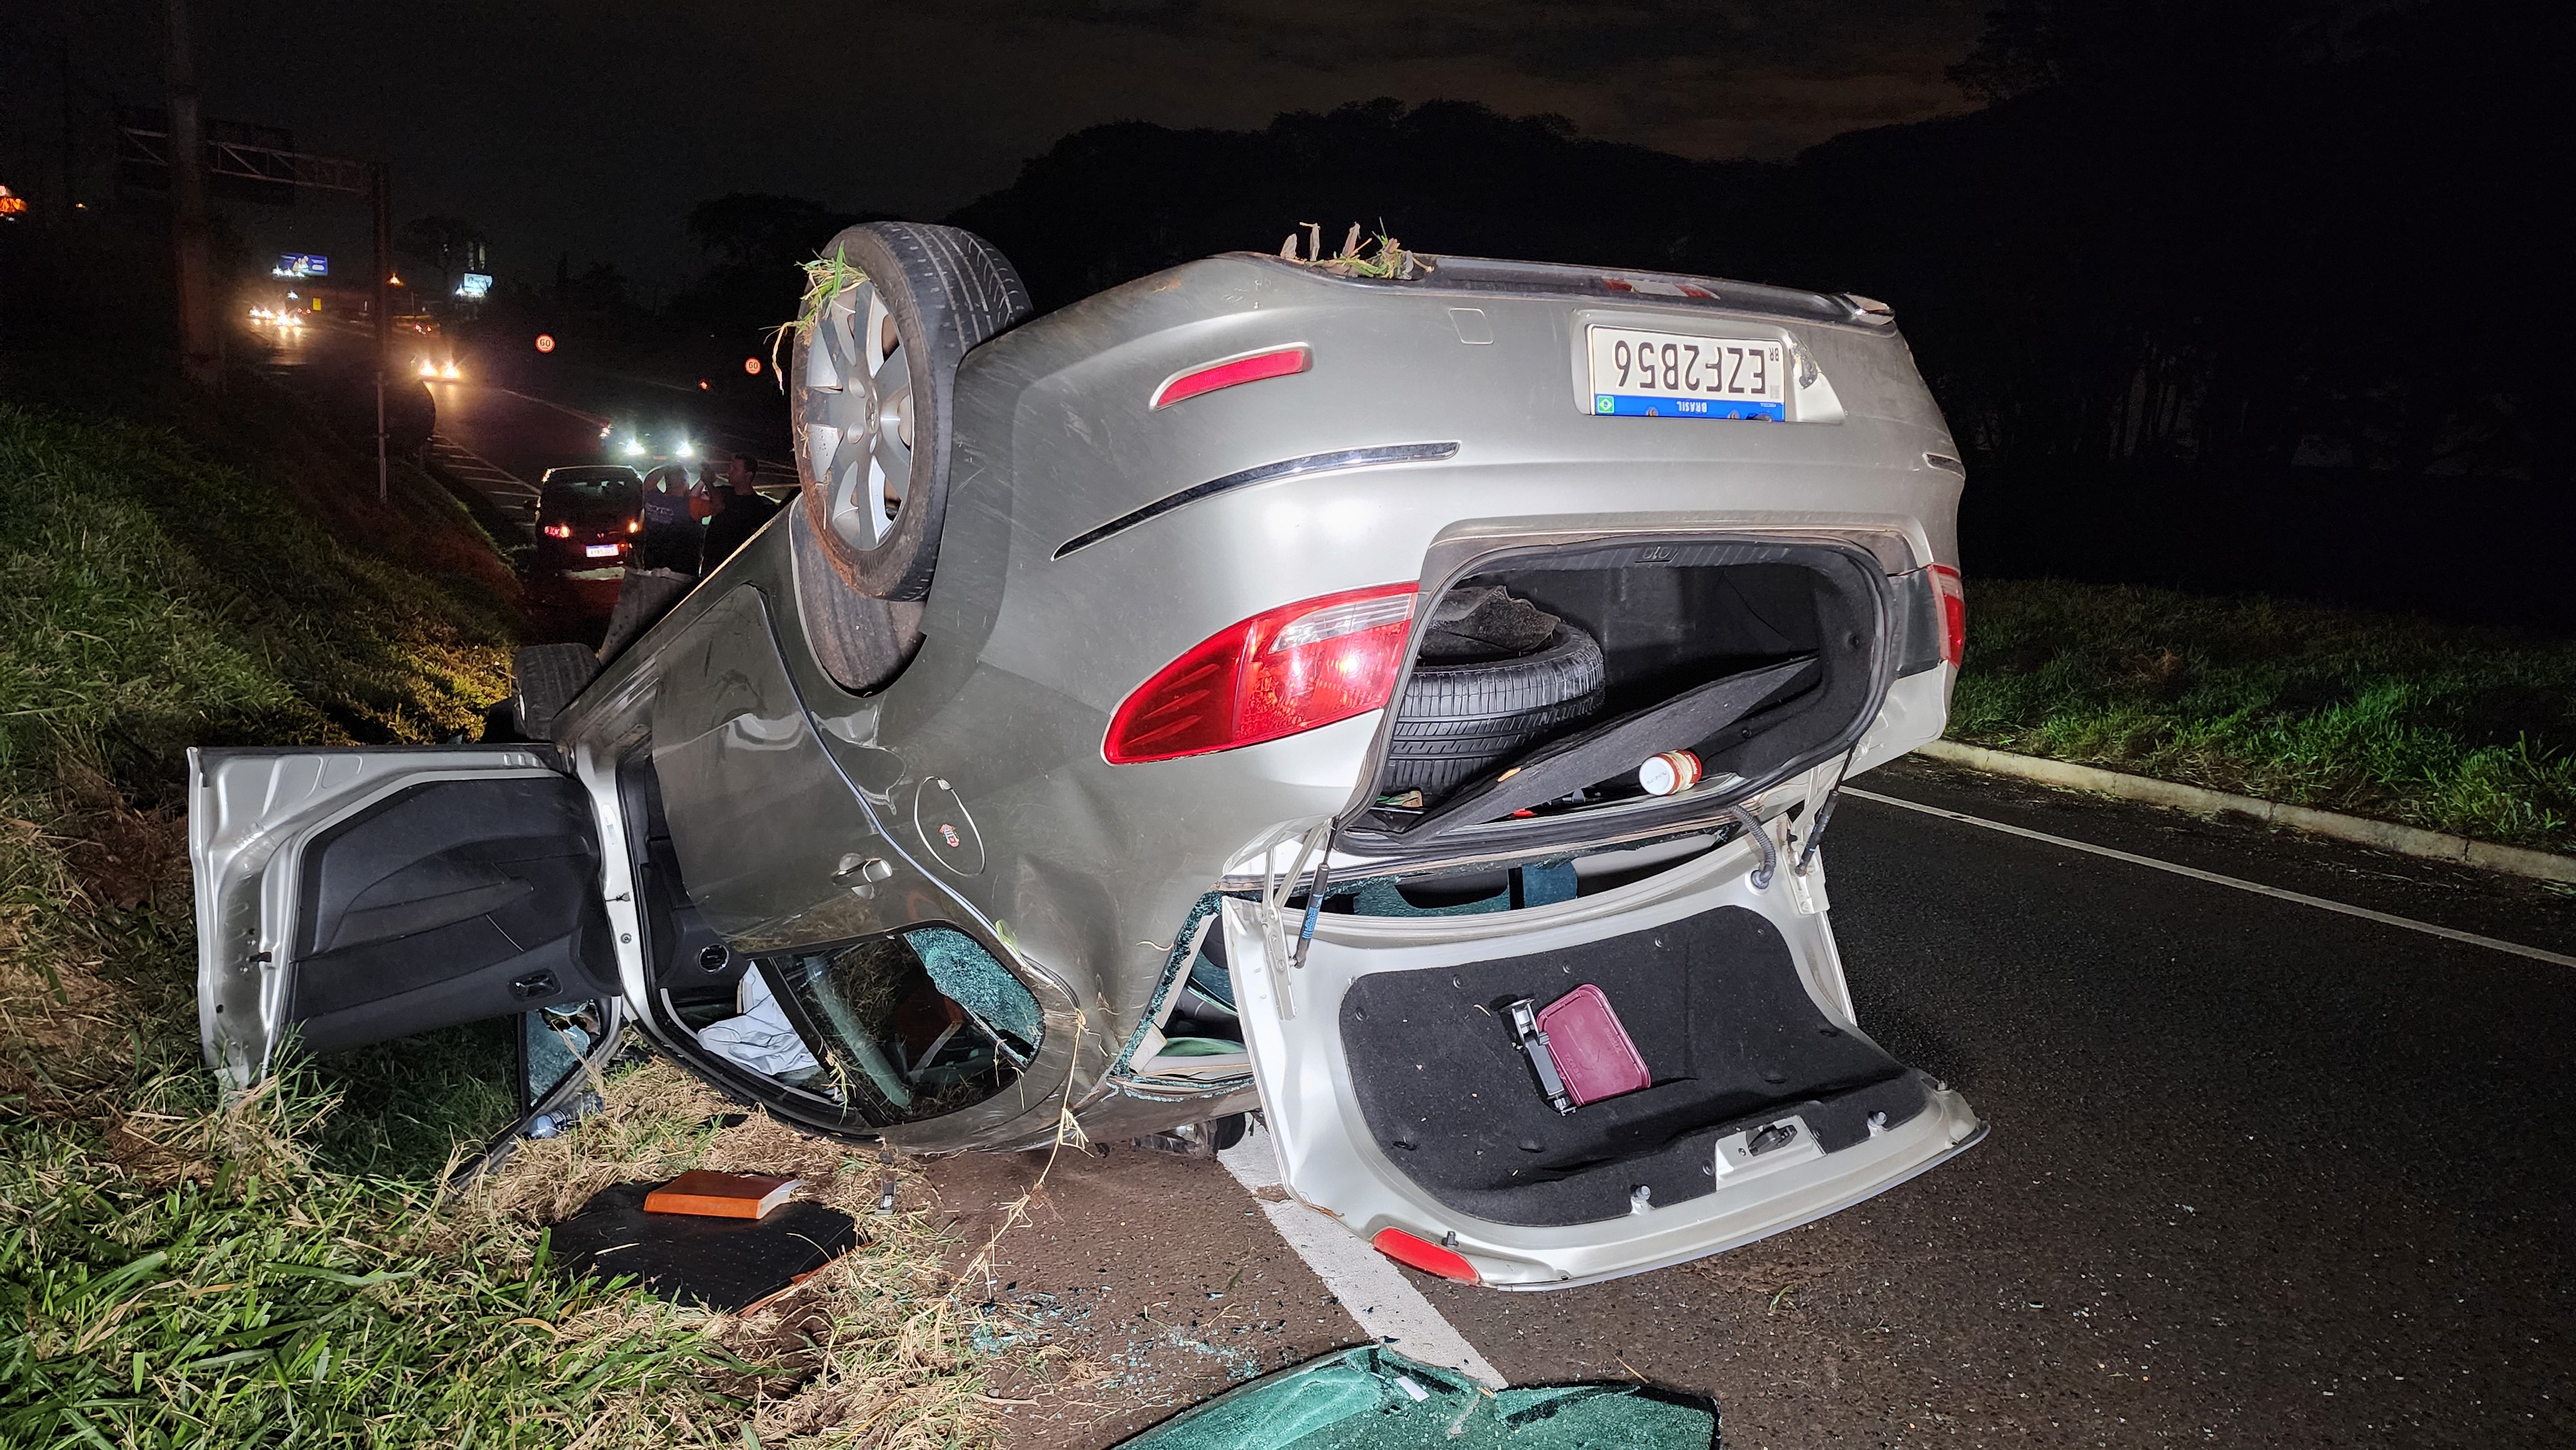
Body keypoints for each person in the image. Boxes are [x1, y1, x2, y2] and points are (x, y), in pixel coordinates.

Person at [699, 453, 782, 572]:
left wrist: (709, 483)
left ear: (748, 475)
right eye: (731, 468)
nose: (729, 472)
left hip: (737, 566)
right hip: (711, 561)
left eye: (735, 469)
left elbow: (718, 506)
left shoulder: (758, 506)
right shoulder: (723, 492)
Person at [637, 463, 699, 574]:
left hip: (653, 563)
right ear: (685, 482)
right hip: (682, 567)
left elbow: (649, 480)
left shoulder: (653, 498)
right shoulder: (689, 505)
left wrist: (668, 467)